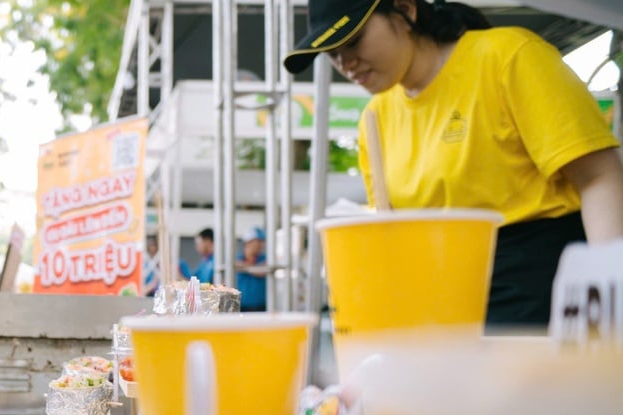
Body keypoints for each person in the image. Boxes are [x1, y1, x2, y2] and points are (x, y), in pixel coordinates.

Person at [284, 0, 623, 326]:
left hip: (534, 282)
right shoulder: (376, 117)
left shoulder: (508, 56)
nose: (346, 63)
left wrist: (609, 288)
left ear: (405, 9)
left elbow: (597, 177)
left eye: (353, 41)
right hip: (440, 297)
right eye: (332, 53)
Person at [236, 227, 268, 311]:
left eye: (262, 241)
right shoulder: (238, 258)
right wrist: (255, 268)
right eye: (258, 241)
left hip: (261, 307)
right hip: (240, 306)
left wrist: (245, 267)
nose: (261, 245)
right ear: (247, 242)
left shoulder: (264, 258)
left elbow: (262, 271)